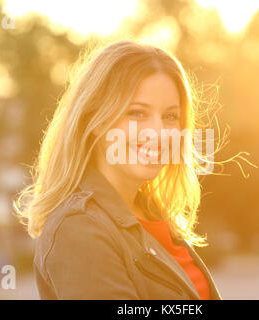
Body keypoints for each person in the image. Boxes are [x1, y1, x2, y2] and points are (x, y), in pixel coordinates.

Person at [14, 40, 239, 299]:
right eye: (137, 113)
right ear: (95, 119)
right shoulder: (78, 228)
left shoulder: (154, 217)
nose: (158, 133)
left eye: (170, 116)